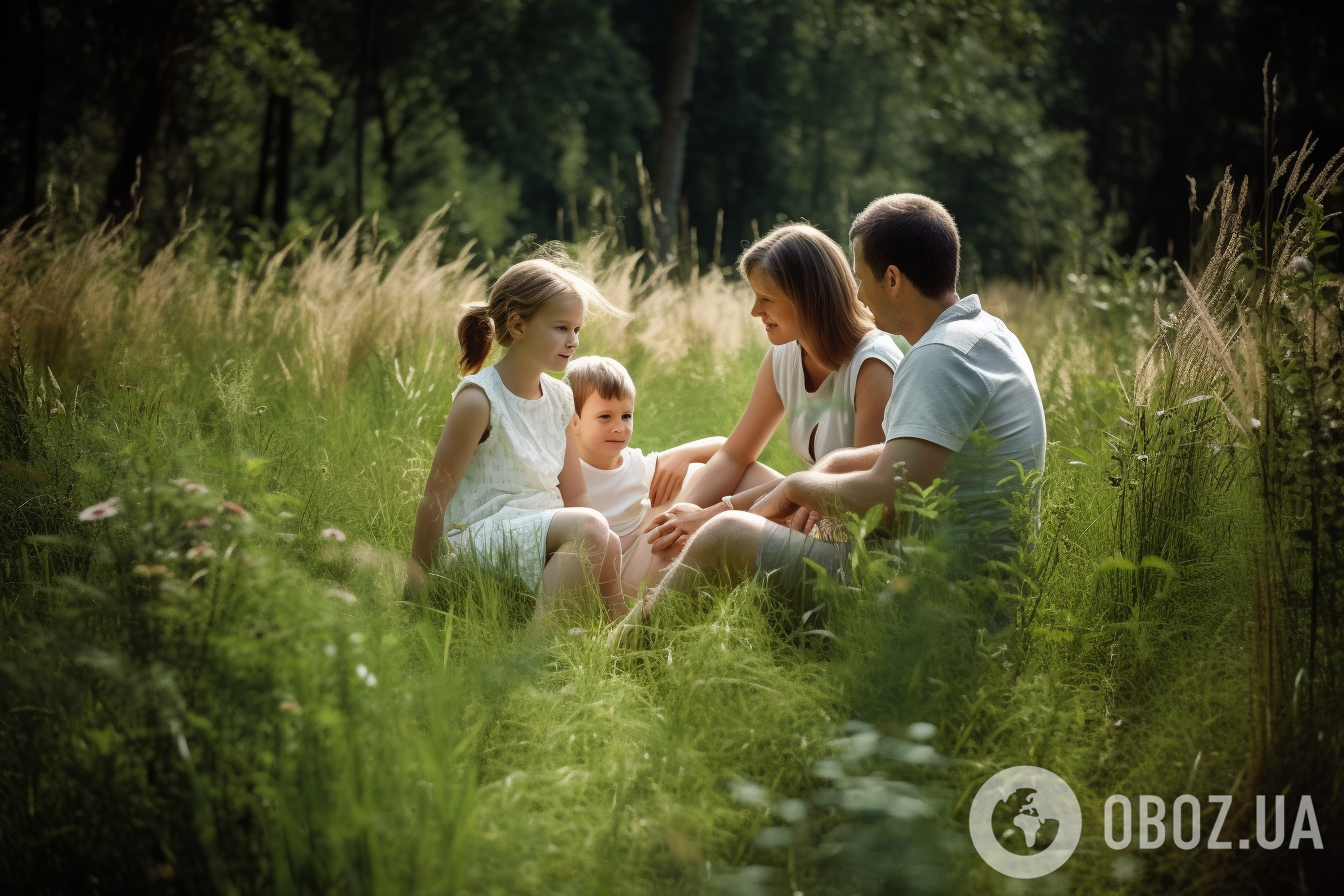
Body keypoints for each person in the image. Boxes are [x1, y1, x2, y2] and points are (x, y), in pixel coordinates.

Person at [622, 194, 1047, 629]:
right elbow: (904, 465)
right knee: (742, 516)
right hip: (976, 582)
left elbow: (886, 506)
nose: (859, 293)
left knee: (726, 535)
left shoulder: (937, 358)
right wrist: (829, 466)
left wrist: (795, 490)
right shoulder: (985, 334)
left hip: (937, 595)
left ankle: (622, 658)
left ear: (893, 278)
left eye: (861, 278)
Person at [642, 222, 906, 562]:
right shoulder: (785, 354)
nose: (755, 311)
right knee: (710, 486)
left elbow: (858, 489)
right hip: (812, 502)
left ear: (807, 299)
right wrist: (680, 515)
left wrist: (713, 516)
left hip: (849, 530)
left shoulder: (872, 366)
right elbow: (735, 454)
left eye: (766, 298)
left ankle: (651, 605)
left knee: (724, 524)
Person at [406, 258, 628, 620]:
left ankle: (624, 645)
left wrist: (606, 541)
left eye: (577, 329)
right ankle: (535, 658)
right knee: (590, 528)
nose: (573, 342)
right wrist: (415, 590)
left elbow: (575, 495)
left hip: (536, 533)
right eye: (561, 328)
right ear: (517, 325)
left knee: (608, 540)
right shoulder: (480, 399)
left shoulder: (560, 398)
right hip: (479, 540)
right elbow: (435, 497)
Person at [563, 355, 729, 590]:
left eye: (626, 416)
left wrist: (684, 454)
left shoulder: (635, 464)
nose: (619, 428)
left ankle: (784, 515)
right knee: (673, 524)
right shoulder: (563, 472)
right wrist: (639, 535)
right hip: (600, 571)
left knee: (698, 472)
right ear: (574, 420)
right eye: (605, 417)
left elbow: (727, 450)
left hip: (640, 553)